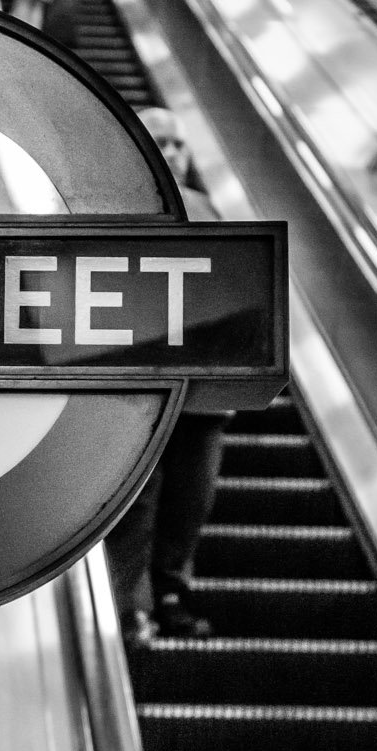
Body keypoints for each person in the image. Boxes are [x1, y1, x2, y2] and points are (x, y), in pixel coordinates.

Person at [106, 108, 230, 647]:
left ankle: (172, 593)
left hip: (203, 382)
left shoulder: (206, 207)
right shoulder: (112, 205)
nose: (174, 152)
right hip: (137, 381)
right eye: (161, 141)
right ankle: (130, 606)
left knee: (190, 495)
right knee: (137, 496)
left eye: (180, 143)